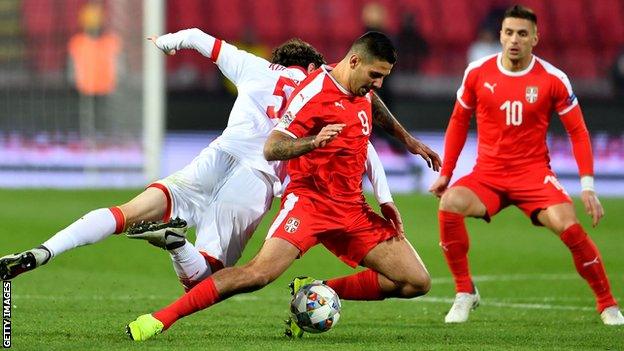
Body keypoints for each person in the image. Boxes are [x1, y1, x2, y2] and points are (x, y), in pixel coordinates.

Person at [0, 29, 439, 292]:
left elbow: (194, 37)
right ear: (318, 65)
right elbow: (363, 142)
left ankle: (44, 250)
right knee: (203, 279)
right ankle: (177, 244)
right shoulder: (325, 91)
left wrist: (164, 42)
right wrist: (387, 189)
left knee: (125, 212)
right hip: (255, 180)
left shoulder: (255, 68)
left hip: (215, 157)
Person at [126, 31, 437, 341]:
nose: (378, 83)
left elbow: (373, 103)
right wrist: (313, 142)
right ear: (354, 61)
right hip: (309, 205)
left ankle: (317, 290)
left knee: (416, 281)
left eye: (383, 76)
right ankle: (159, 319)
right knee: (257, 275)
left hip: (353, 209)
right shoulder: (313, 93)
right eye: (375, 75)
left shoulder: (360, 86)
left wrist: (406, 139)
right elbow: (272, 147)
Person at [428, 5, 624, 326]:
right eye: (508, 33)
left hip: (534, 176)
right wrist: (446, 174)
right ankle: (465, 292)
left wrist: (588, 186)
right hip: (488, 175)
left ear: (535, 37)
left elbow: (578, 131)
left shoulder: (553, 78)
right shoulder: (478, 72)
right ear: (500, 36)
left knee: (570, 227)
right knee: (450, 204)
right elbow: (458, 122)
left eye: (522, 34)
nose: (514, 40)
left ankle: (608, 304)